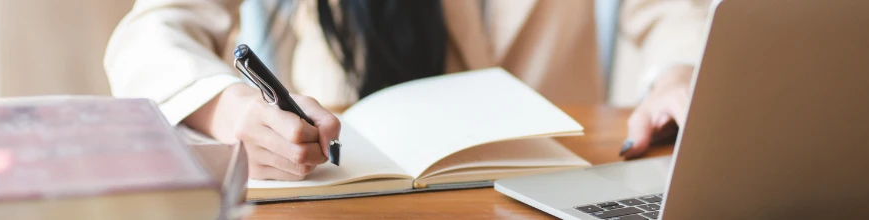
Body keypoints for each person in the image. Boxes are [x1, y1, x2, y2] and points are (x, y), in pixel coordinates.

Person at [104, 0, 710, 180]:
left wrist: (676, 77)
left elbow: (672, 12)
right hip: (368, 196)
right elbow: (152, 32)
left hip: (545, 189)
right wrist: (233, 109)